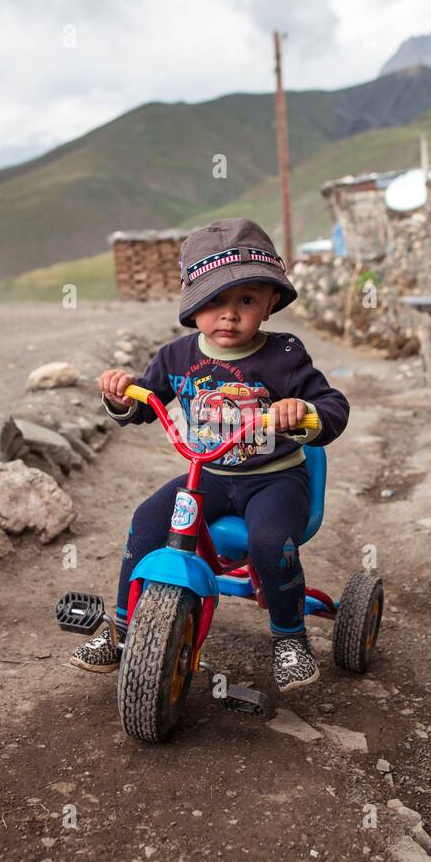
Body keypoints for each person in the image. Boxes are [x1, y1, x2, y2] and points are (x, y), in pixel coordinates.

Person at [69, 218, 349, 692]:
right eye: (213, 300)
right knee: (147, 520)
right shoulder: (177, 357)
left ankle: (289, 637)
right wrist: (121, 395)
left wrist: (301, 411)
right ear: (192, 305)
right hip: (210, 476)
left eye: (246, 300)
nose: (229, 315)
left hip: (275, 479)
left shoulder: (284, 354)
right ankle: (120, 631)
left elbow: (333, 407)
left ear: (270, 303)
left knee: (268, 543)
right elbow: (142, 402)